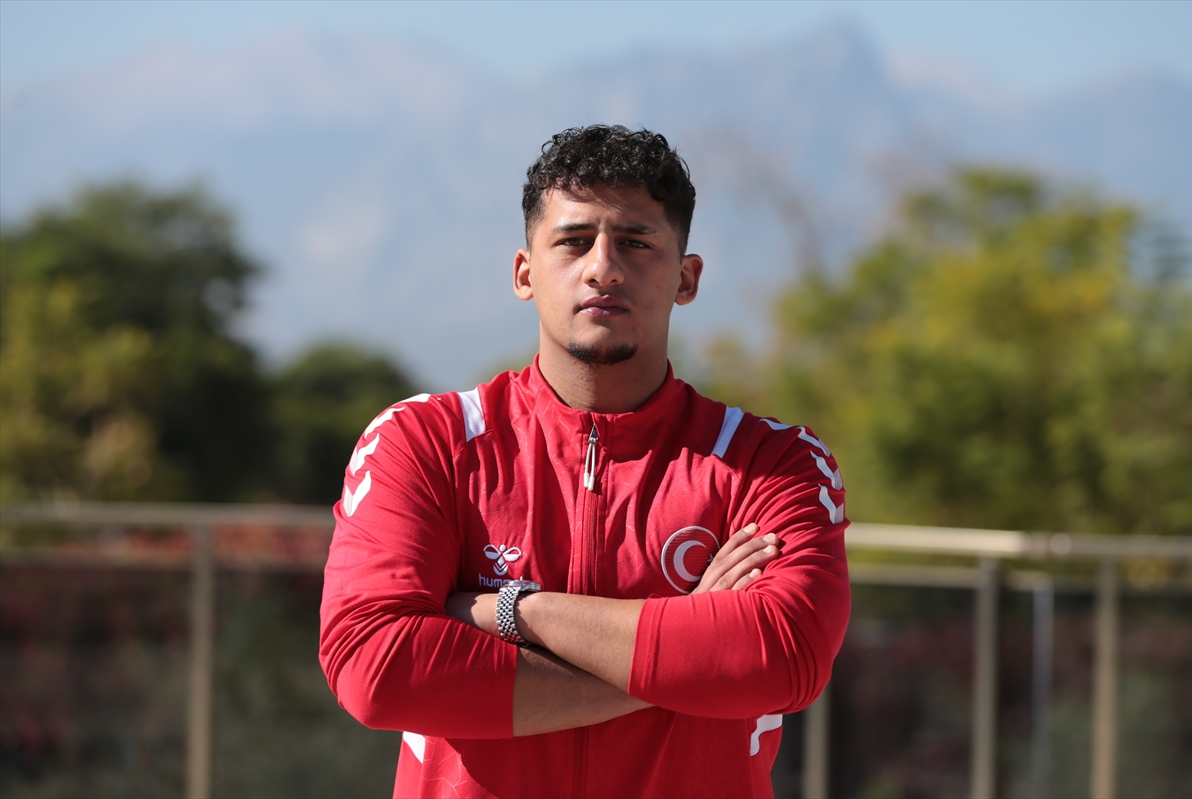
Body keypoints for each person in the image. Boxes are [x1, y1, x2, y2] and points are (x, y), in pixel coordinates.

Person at [319, 125, 851, 798]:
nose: (604, 267)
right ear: (525, 272)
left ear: (686, 278)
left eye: (636, 242)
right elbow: (376, 667)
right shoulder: (425, 442)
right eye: (573, 241)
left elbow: (784, 656)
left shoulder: (773, 463)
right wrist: (685, 655)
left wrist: (514, 610)